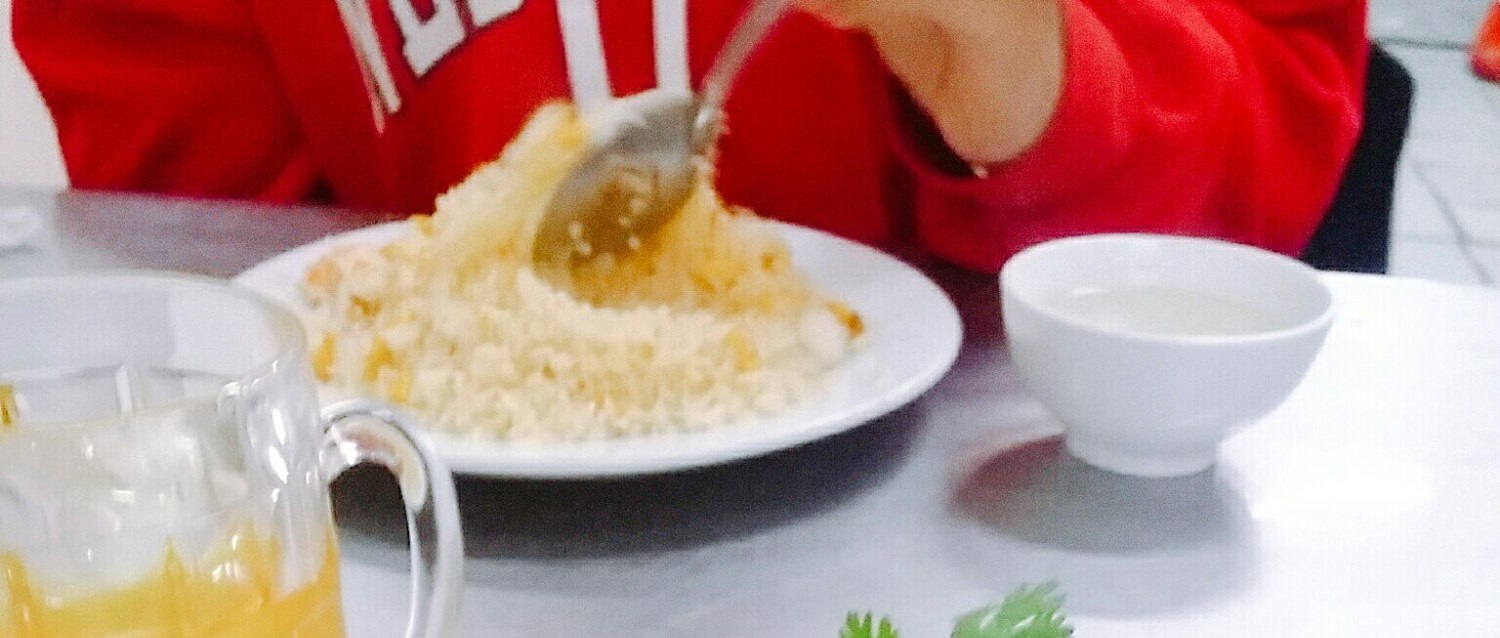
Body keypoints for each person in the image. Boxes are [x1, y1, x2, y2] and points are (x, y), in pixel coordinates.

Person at [14, 0, 1367, 272]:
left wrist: (1039, 74)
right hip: (436, 593)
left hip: (1031, 568)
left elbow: (1282, 100)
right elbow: (212, 269)